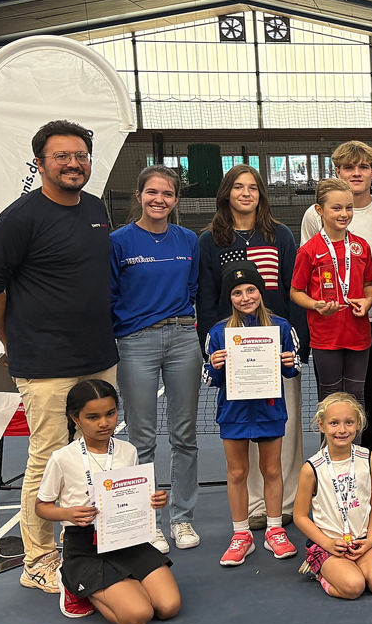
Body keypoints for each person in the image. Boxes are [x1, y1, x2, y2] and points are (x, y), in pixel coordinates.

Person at [0, 119, 119, 594]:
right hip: (45, 362)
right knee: (49, 456)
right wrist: (15, 340)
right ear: (40, 163)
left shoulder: (96, 208)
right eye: (62, 156)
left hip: (98, 354)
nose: (74, 163)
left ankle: (102, 534)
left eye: (81, 155)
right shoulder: (19, 218)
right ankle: (37, 559)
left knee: (100, 450)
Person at [197, 163, 306, 531]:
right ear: (226, 193)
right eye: (238, 187)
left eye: (253, 188)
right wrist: (211, 351)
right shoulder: (210, 240)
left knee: (281, 429)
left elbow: (292, 291)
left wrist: (296, 347)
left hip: (276, 352)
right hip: (236, 355)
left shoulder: (280, 235)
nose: (246, 193)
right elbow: (208, 298)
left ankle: (286, 501)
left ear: (261, 194)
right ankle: (255, 507)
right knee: (243, 433)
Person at [35, 379, 180, 624]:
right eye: (93, 417)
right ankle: (73, 582)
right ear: (76, 419)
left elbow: (135, 496)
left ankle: (122, 585)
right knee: (137, 616)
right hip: (85, 548)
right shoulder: (62, 458)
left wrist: (154, 499)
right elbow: (41, 506)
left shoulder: (128, 450)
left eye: (110, 413)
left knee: (168, 607)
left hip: (127, 541)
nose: (104, 423)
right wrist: (67, 512)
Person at [109, 166, 201, 553]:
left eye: (166, 194)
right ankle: (147, 523)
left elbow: (193, 286)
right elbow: (110, 293)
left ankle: (181, 520)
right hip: (135, 343)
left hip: (184, 339)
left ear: (176, 200)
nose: (159, 200)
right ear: (139, 195)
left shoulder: (189, 240)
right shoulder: (118, 242)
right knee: (141, 438)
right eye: (152, 192)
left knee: (185, 436)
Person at [203, 263, 303, 567]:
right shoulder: (219, 332)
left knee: (272, 470)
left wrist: (288, 361)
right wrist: (215, 365)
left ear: (260, 292)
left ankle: (274, 529)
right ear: (229, 297)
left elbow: (294, 367)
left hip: (269, 410)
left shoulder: (281, 327)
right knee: (236, 473)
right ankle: (241, 534)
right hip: (233, 413)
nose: (245, 297)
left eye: (250, 290)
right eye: (237, 292)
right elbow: (209, 378)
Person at [300, 141, 372, 453]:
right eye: (349, 167)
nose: (356, 173)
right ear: (338, 171)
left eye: (363, 167)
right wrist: (319, 304)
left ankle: (370, 459)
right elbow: (309, 272)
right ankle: (330, 461)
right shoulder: (313, 217)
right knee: (331, 400)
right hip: (330, 325)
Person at [293, 393, 372, 600]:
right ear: (322, 425)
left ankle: (351, 566)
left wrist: (370, 539)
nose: (342, 430)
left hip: (362, 541)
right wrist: (327, 544)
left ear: (358, 424)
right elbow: (299, 516)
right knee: (354, 587)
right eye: (334, 423)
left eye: (349, 423)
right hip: (330, 545)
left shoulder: (370, 459)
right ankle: (318, 570)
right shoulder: (311, 469)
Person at [290, 178, 372, 405]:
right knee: (330, 397)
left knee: (356, 395)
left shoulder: (361, 246)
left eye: (349, 207)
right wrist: (316, 305)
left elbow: (369, 285)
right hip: (325, 336)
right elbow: (296, 291)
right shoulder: (309, 250)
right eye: (336, 208)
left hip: (358, 333)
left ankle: (354, 443)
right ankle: (329, 442)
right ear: (319, 210)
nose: (344, 214)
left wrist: (368, 301)